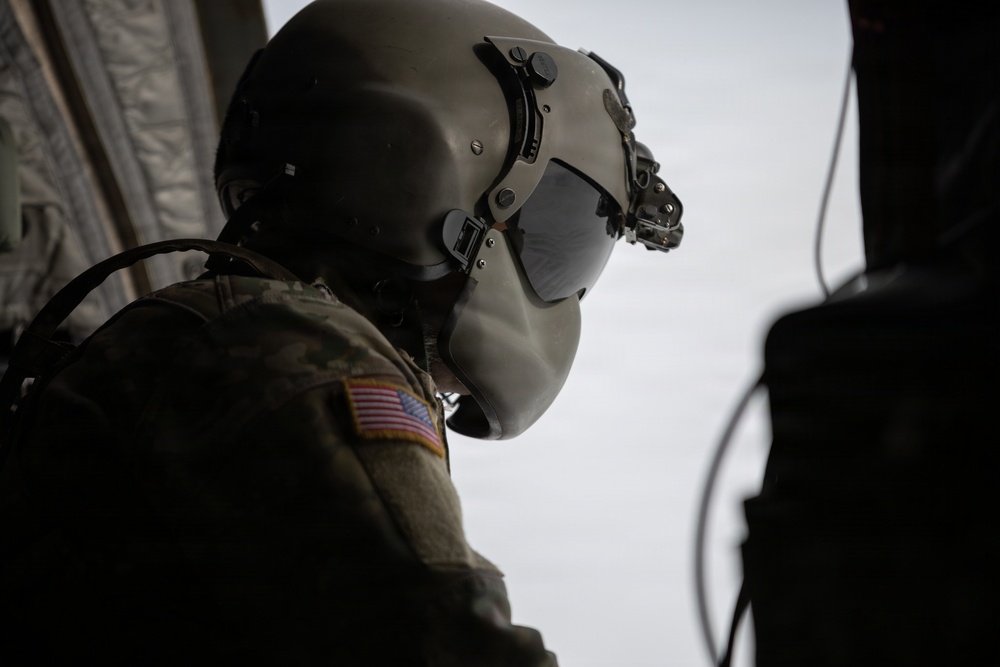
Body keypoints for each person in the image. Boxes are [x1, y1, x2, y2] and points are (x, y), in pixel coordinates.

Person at [0, 0, 682, 663]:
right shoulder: (294, 349)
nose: (558, 280)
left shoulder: (226, 332)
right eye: (543, 229)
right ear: (425, 162)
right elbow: (443, 638)